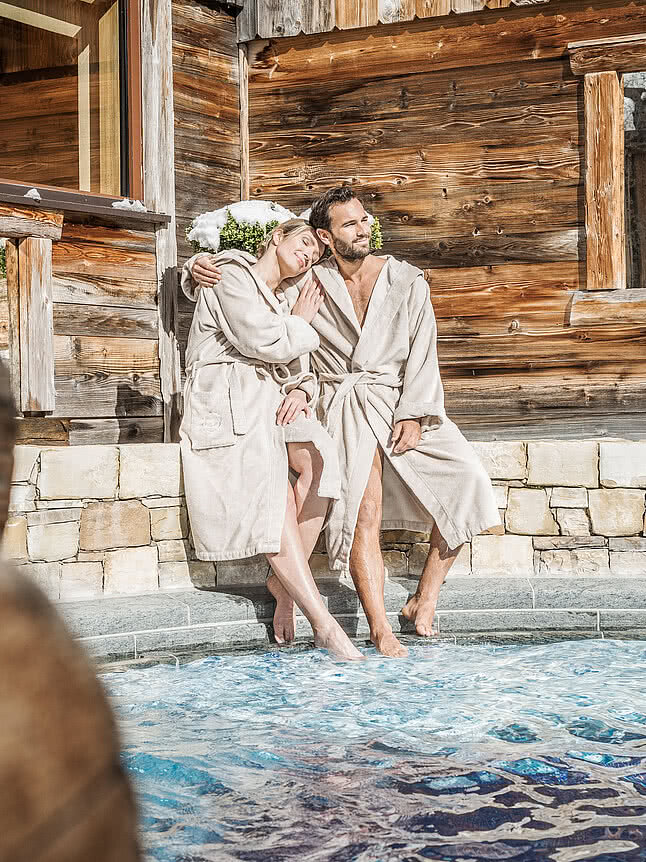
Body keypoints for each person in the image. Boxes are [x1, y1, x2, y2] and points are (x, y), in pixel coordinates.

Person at [186, 191, 500, 659]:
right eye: (349, 224)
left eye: (364, 220)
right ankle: (378, 629)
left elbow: (423, 350)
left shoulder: (406, 280)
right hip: (341, 402)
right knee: (361, 505)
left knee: (469, 483)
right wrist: (194, 270)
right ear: (326, 237)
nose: (362, 229)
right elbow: (256, 299)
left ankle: (425, 598)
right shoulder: (309, 280)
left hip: (397, 401)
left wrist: (415, 413)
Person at [180, 218, 363, 661]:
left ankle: (282, 582)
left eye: (314, 256)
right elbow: (262, 340)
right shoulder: (230, 272)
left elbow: (299, 361)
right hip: (228, 400)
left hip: (272, 397)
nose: (307, 256)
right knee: (274, 489)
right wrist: (300, 322)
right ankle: (324, 624)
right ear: (276, 236)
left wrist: (302, 388)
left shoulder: (283, 298)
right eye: (303, 244)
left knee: (320, 463)